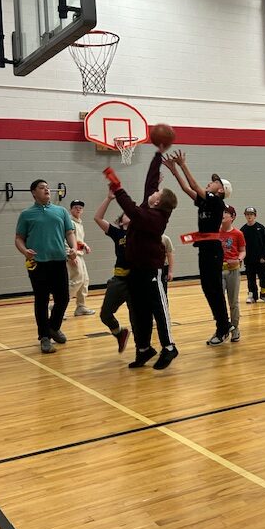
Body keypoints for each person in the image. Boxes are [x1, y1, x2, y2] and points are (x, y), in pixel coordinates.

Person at [111, 150, 179, 370]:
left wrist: (118, 187)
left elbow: (130, 209)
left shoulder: (154, 218)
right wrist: (158, 155)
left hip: (152, 272)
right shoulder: (149, 205)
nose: (153, 192)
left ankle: (169, 347)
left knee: (159, 310)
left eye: (156, 193)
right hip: (136, 272)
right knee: (139, 312)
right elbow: (150, 182)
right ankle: (144, 349)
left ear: (158, 202)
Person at [163, 150, 234, 346]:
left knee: (214, 289)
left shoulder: (217, 201)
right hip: (205, 249)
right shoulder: (206, 200)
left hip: (212, 250)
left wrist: (183, 164)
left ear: (221, 190)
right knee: (208, 288)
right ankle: (224, 324)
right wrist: (174, 170)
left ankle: (224, 326)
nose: (210, 182)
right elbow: (186, 188)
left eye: (215, 182)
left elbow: (193, 184)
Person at [15, 179, 77, 354]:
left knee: (63, 298)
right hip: (37, 264)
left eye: (47, 187)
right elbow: (19, 238)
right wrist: (24, 251)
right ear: (34, 193)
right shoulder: (26, 214)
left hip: (58, 261)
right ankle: (44, 337)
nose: (46, 190)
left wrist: (73, 248)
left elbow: (69, 232)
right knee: (41, 300)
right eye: (42, 188)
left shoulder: (61, 211)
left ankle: (53, 327)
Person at [93, 192, 133, 354]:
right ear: (121, 221)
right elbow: (97, 218)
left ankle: (143, 348)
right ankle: (119, 333)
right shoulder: (118, 234)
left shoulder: (141, 231)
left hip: (136, 281)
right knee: (105, 315)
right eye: (126, 214)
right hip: (119, 280)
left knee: (137, 317)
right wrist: (109, 198)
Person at [219, 205, 246, 342]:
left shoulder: (238, 234)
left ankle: (235, 328)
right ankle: (222, 329)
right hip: (218, 270)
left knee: (233, 302)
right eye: (222, 212)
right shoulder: (215, 232)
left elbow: (243, 251)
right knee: (219, 301)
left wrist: (238, 259)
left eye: (226, 212)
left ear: (232, 217)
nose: (223, 214)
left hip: (233, 270)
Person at [67, 200, 95, 316]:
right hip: (73, 255)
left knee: (84, 280)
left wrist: (84, 245)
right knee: (77, 280)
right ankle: (58, 305)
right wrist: (70, 255)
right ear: (71, 209)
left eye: (80, 208)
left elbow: (78, 240)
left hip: (79, 254)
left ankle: (81, 306)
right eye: (75, 207)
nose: (78, 209)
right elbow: (66, 240)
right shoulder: (69, 222)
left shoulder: (79, 222)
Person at [240, 207, 265, 303]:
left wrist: (264, 256)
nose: (249, 216)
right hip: (249, 260)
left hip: (260, 259)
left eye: (251, 214)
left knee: (264, 277)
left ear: (255, 216)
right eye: (247, 214)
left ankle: (264, 294)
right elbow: (241, 246)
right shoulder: (243, 230)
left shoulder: (261, 228)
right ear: (245, 216)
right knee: (251, 279)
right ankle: (252, 296)